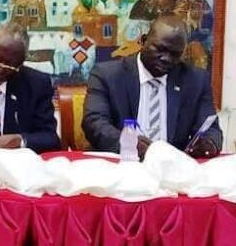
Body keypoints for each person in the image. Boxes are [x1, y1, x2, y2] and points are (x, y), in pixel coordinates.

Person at [82, 15, 221, 158]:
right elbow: (94, 123)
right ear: (143, 41)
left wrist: (209, 143)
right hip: (123, 162)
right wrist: (130, 144)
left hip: (171, 166)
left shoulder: (196, 81)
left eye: (175, 54)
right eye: (160, 49)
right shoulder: (107, 75)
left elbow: (212, 129)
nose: (166, 58)